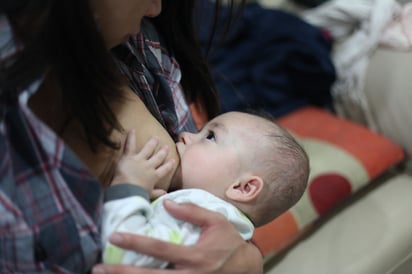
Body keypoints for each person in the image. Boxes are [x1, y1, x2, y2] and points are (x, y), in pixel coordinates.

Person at [0, 0, 265, 273]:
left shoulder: (133, 41)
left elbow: (218, 221)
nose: (156, 8)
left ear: (246, 188)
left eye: (209, 137)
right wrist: (129, 188)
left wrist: (246, 260)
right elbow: (125, 252)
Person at [102, 111, 309, 268]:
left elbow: (124, 256)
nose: (184, 135)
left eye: (210, 136)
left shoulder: (199, 216)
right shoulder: (222, 226)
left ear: (243, 188)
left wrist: (129, 188)